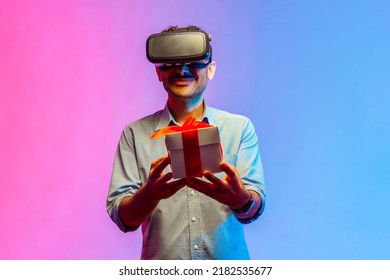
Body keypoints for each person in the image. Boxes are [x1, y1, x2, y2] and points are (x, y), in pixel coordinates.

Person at [107, 25, 266, 260]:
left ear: (210, 70)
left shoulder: (239, 128)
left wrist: (240, 199)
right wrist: (149, 195)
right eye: (171, 63)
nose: (182, 70)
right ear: (158, 72)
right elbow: (123, 219)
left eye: (193, 62)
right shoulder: (134, 134)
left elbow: (254, 207)